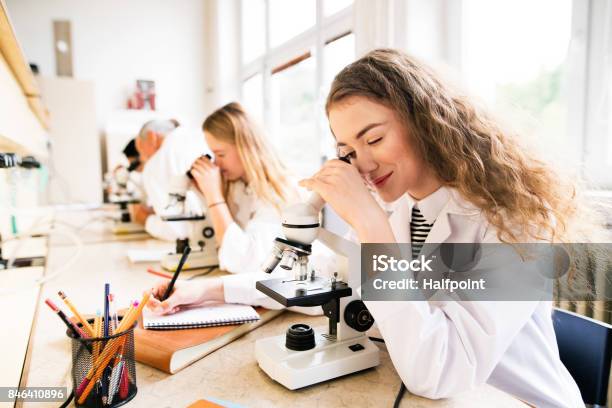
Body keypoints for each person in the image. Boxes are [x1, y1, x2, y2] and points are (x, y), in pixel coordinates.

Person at [298, 49, 595, 407]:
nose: (364, 164)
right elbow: (328, 279)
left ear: (424, 120)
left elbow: (439, 372)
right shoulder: (395, 207)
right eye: (347, 151)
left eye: (374, 140)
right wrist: (224, 289)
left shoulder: (517, 221)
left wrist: (372, 230)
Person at [145, 102, 322, 313]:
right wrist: (203, 191)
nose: (216, 164)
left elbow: (244, 262)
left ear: (246, 148)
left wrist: (213, 195)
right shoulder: (239, 185)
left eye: (220, 154)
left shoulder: (280, 192)